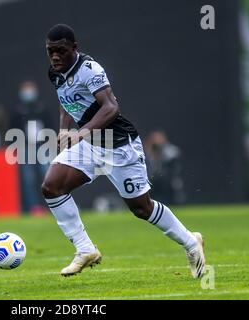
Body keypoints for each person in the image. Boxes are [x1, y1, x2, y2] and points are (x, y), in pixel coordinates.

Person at [41, 24, 206, 278]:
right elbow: (65, 100)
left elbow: (110, 108)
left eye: (61, 51)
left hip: (119, 145)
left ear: (75, 47)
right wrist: (64, 129)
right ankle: (85, 249)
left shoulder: (90, 70)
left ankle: (191, 241)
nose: (55, 57)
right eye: (51, 51)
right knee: (51, 186)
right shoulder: (55, 71)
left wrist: (80, 133)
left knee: (142, 208)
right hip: (90, 145)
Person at [11, 80, 54, 214]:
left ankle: (52, 204)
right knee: (28, 179)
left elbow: (50, 126)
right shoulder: (18, 110)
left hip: (42, 145)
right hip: (25, 147)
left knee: (48, 176)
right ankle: (33, 207)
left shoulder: (41, 108)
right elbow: (12, 129)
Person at [144, 130, 186, 204]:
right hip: (151, 185)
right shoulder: (145, 154)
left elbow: (173, 170)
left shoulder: (171, 152)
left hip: (167, 185)